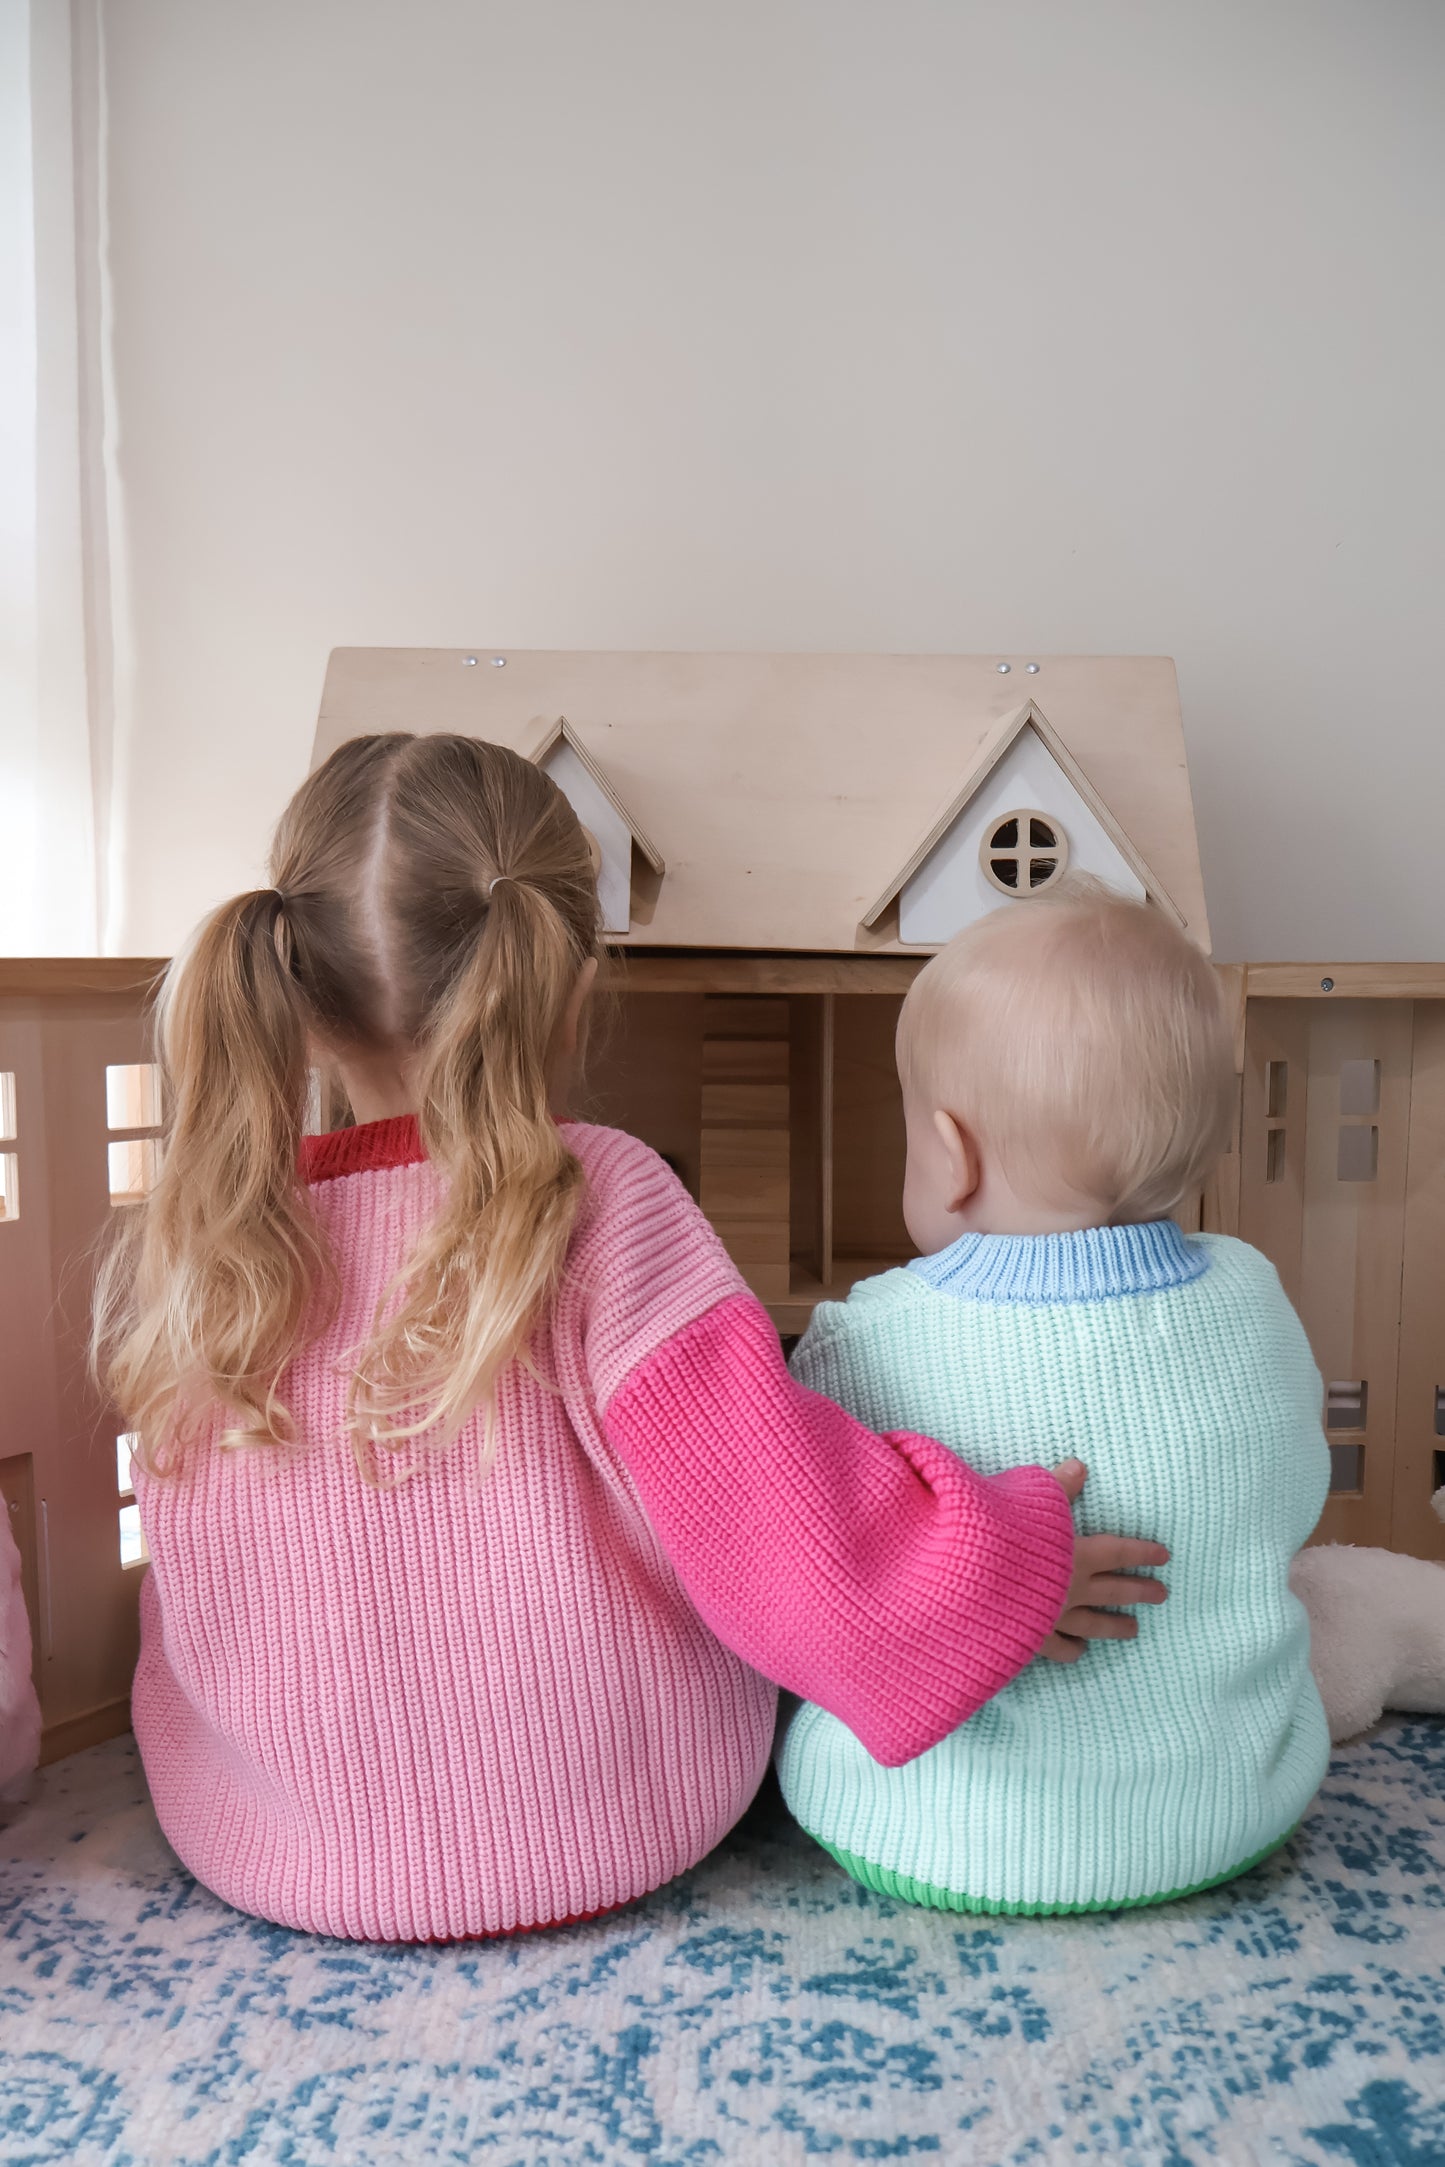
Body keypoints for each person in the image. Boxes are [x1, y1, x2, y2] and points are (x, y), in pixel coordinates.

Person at [93, 735, 1167, 1943]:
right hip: (606, 1818)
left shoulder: (205, 1232)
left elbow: (206, 1580)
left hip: (272, 1839)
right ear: (568, 982)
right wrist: (1007, 1566)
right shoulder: (602, 1197)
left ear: (293, 971)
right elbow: (787, 1528)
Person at [777, 882, 1333, 1914]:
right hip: (1232, 1804)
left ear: (949, 1153)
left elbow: (813, 1543)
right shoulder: (1252, 1295)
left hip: (934, 1828)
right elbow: (1292, 1484)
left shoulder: (869, 1339)